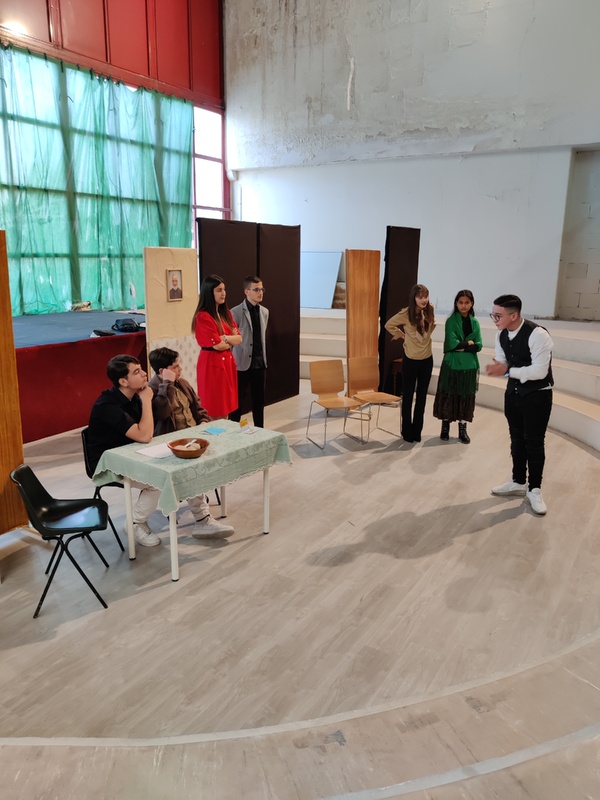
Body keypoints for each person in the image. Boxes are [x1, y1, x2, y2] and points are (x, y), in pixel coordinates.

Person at [148, 347, 234, 537]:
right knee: (191, 470)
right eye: (175, 367)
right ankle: (203, 520)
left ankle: (198, 498)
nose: (180, 369)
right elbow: (162, 413)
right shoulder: (152, 390)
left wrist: (203, 422)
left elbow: (199, 409)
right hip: (172, 445)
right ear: (163, 371)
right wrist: (167, 384)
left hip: (195, 439)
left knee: (224, 452)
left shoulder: (183, 383)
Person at [485, 294, 553, 516]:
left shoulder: (538, 335)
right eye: (493, 314)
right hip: (513, 394)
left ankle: (535, 489)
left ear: (513, 315)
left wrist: (506, 371)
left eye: (498, 315)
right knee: (516, 439)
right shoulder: (501, 334)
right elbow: (503, 362)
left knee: (534, 443)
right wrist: (503, 368)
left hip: (537, 396)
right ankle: (518, 481)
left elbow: (540, 371)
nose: (494, 319)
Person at [87, 354, 162, 547]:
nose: (144, 374)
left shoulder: (133, 396)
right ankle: (135, 524)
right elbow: (145, 435)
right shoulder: (107, 405)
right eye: (136, 372)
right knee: (158, 480)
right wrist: (146, 400)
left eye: (141, 369)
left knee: (175, 466)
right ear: (123, 381)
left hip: (131, 454)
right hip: (107, 463)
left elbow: (148, 430)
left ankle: (202, 518)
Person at [385, 284, 436, 442]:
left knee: (422, 397)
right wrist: (402, 335)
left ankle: (417, 431)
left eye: (425, 296)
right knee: (408, 397)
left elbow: (430, 329)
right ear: (413, 298)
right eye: (420, 297)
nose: (424, 300)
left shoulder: (430, 310)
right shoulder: (406, 313)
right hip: (411, 360)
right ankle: (407, 431)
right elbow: (389, 325)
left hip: (426, 359)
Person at [433, 289, 482, 444]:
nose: (463, 305)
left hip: (469, 367)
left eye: (467, 302)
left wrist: (462, 346)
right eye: (460, 302)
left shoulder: (475, 323)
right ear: (456, 303)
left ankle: (462, 429)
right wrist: (468, 343)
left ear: (471, 304)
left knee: (466, 398)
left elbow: (478, 345)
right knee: (448, 395)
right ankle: (445, 427)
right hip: (452, 365)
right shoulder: (451, 321)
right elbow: (451, 344)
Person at [192, 274, 242, 418]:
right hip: (212, 364)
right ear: (209, 292)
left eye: (224, 289)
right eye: (219, 290)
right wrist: (229, 339)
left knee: (226, 407)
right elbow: (217, 346)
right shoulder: (203, 316)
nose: (223, 293)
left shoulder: (226, 313)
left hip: (227, 362)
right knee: (214, 407)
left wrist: (225, 337)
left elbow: (239, 338)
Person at [229, 275, 269, 427]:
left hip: (260, 363)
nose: (260, 292)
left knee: (259, 402)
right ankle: (232, 432)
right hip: (241, 364)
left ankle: (260, 432)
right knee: (237, 402)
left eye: (262, 289)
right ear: (247, 291)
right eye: (256, 290)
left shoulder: (265, 312)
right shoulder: (235, 312)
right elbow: (232, 340)